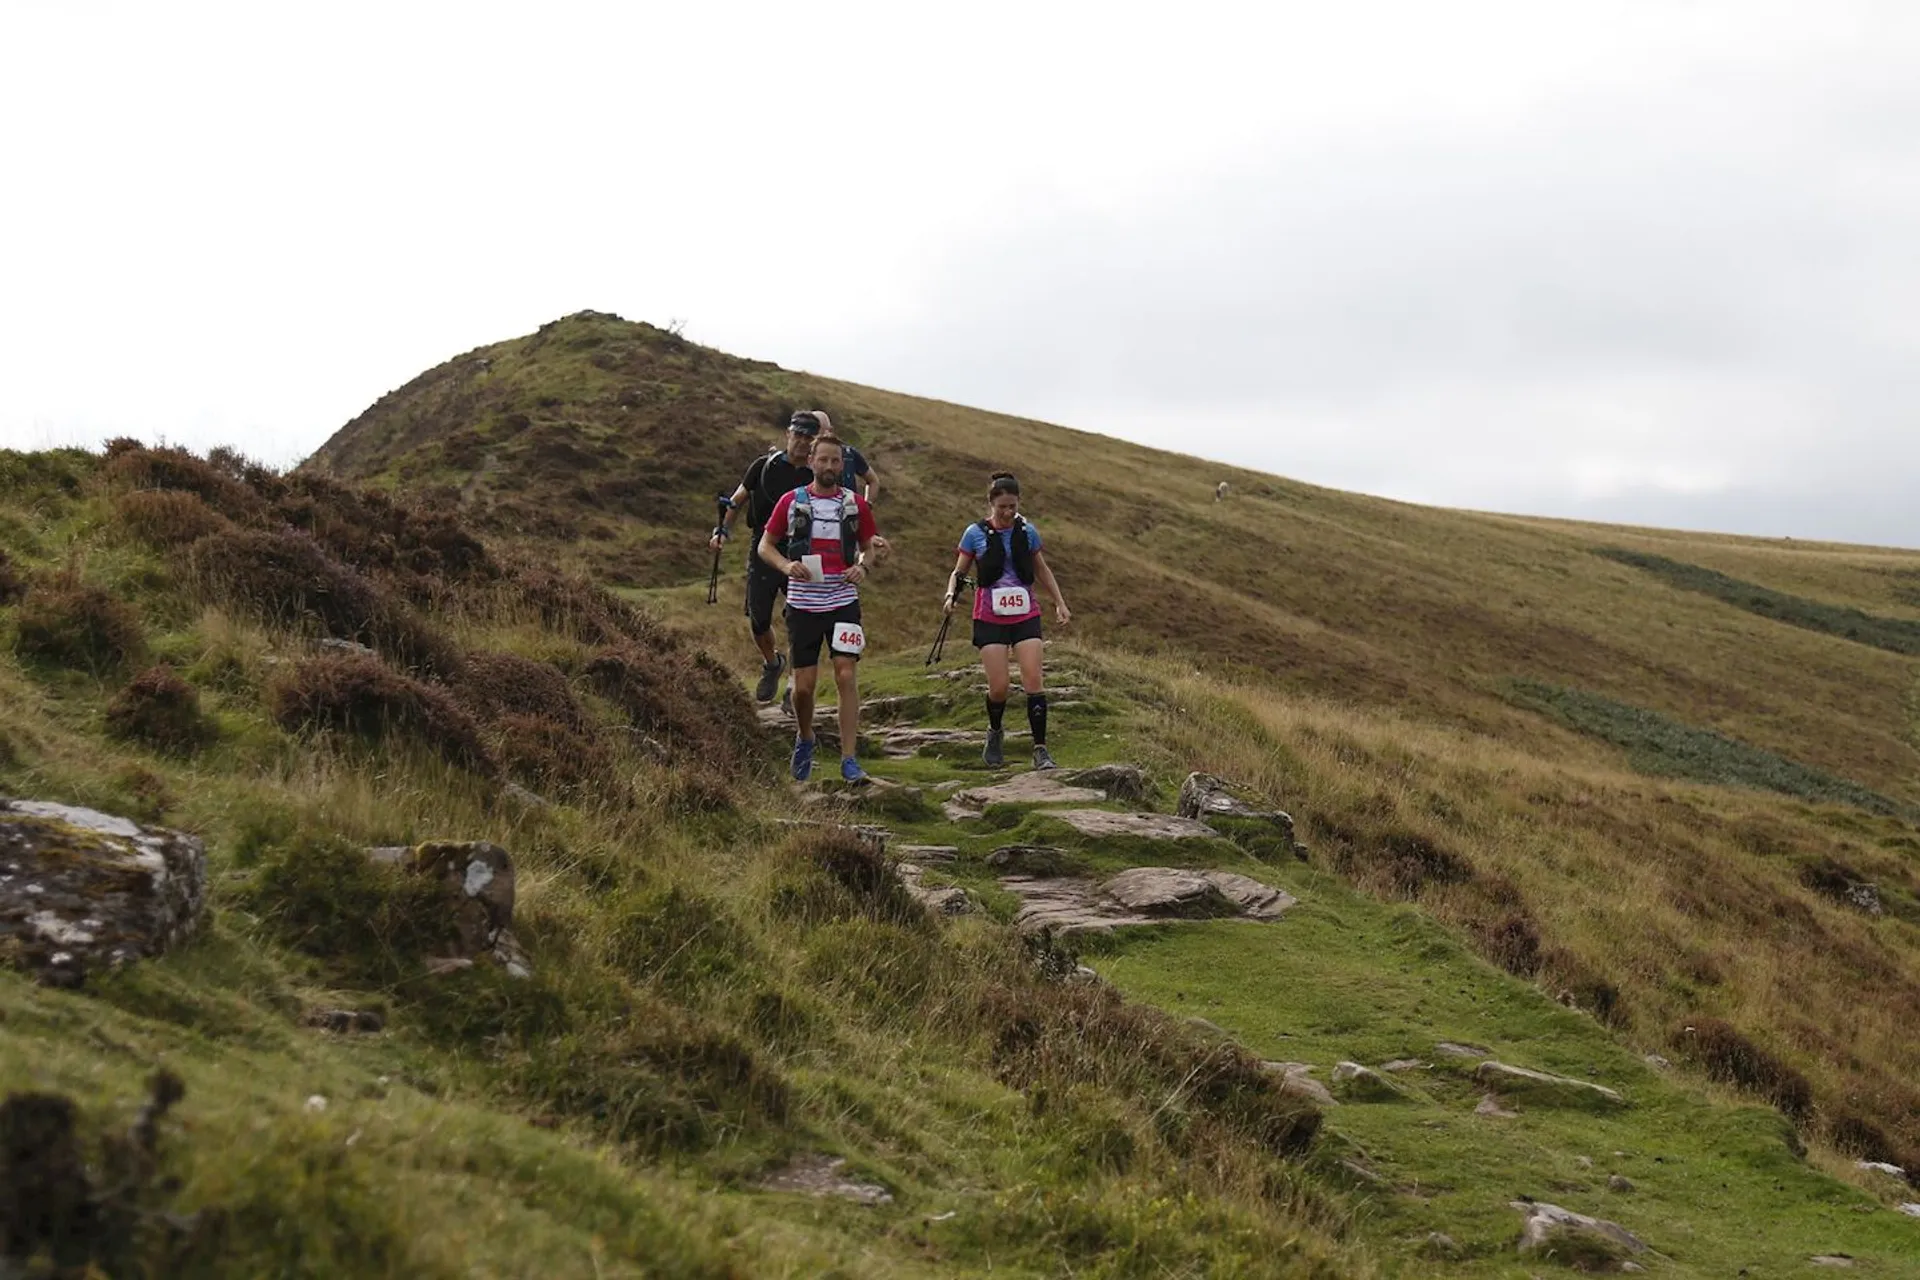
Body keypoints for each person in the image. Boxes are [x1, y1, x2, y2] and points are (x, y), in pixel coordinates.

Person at [758, 435, 880, 783]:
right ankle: (806, 737)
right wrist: (785, 567)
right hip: (803, 604)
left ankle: (849, 758)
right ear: (811, 461)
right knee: (804, 688)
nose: (829, 467)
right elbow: (766, 546)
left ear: (843, 466)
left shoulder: (856, 504)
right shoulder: (791, 502)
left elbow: (868, 549)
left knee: (845, 673)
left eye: (836, 462)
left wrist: (862, 567)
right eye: (823, 460)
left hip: (843, 601)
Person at [943, 471, 1071, 770]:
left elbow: (1041, 569)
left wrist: (1060, 603)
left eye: (1013, 506)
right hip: (990, 616)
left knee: (1033, 679)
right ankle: (995, 732)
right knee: (999, 687)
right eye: (1002, 507)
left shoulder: (1027, 532)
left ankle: (1040, 749)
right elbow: (958, 571)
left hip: (1026, 613)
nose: (1008, 512)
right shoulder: (974, 534)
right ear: (991, 503)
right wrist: (951, 595)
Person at [711, 411, 819, 704]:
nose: (802, 442)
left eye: (809, 437)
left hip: (803, 549)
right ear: (788, 434)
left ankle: (794, 685)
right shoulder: (763, 466)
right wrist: (722, 530)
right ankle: (772, 663)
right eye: (798, 435)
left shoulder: (817, 474)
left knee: (801, 618)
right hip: (763, 546)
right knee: (758, 619)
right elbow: (738, 499)